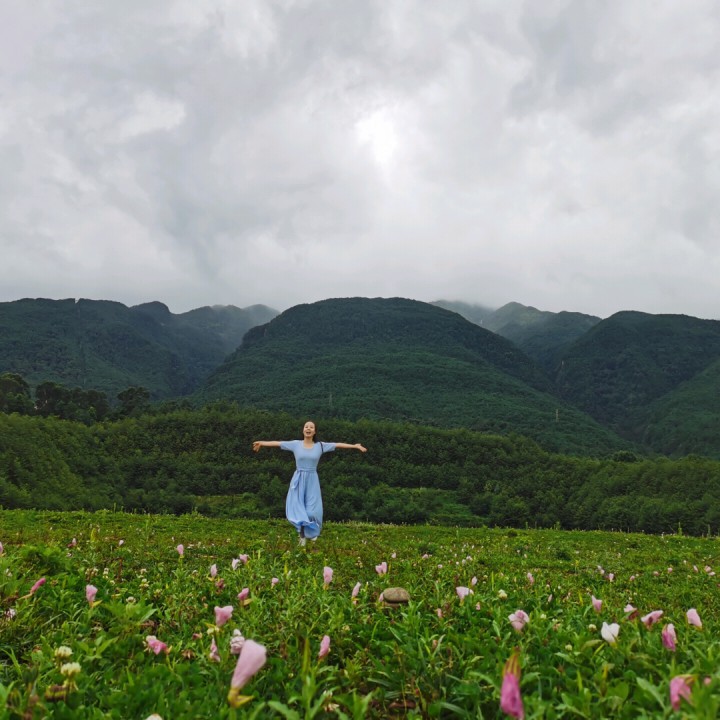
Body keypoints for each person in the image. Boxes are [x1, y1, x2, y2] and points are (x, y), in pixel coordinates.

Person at [253, 421, 367, 545]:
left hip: (312, 480)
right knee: (299, 510)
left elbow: (338, 444)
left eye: (311, 427)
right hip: (298, 479)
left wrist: (355, 446)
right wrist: (262, 443)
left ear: (314, 431)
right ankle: (302, 537)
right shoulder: (296, 444)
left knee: (312, 511)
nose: (308, 428)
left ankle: (313, 531)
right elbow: (278, 443)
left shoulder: (320, 446)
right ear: (303, 430)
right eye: (306, 427)